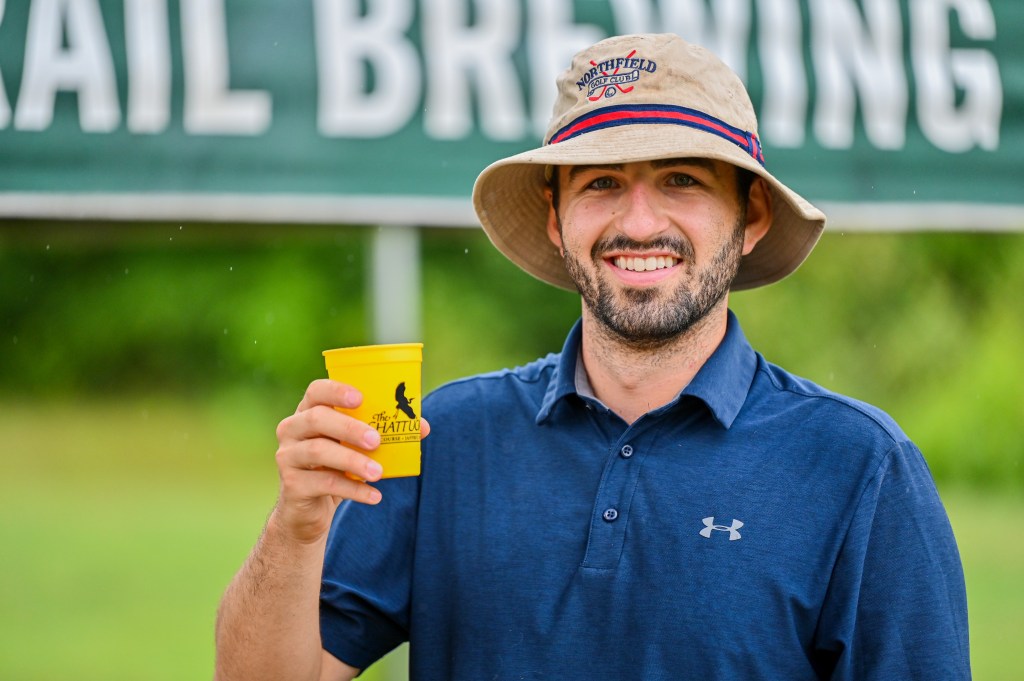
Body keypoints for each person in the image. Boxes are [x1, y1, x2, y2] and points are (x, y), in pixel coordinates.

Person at [214, 33, 970, 680]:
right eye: (602, 182)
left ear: (751, 216)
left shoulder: (859, 465)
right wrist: (296, 527)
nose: (638, 223)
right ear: (557, 218)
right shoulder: (448, 438)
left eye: (681, 180)